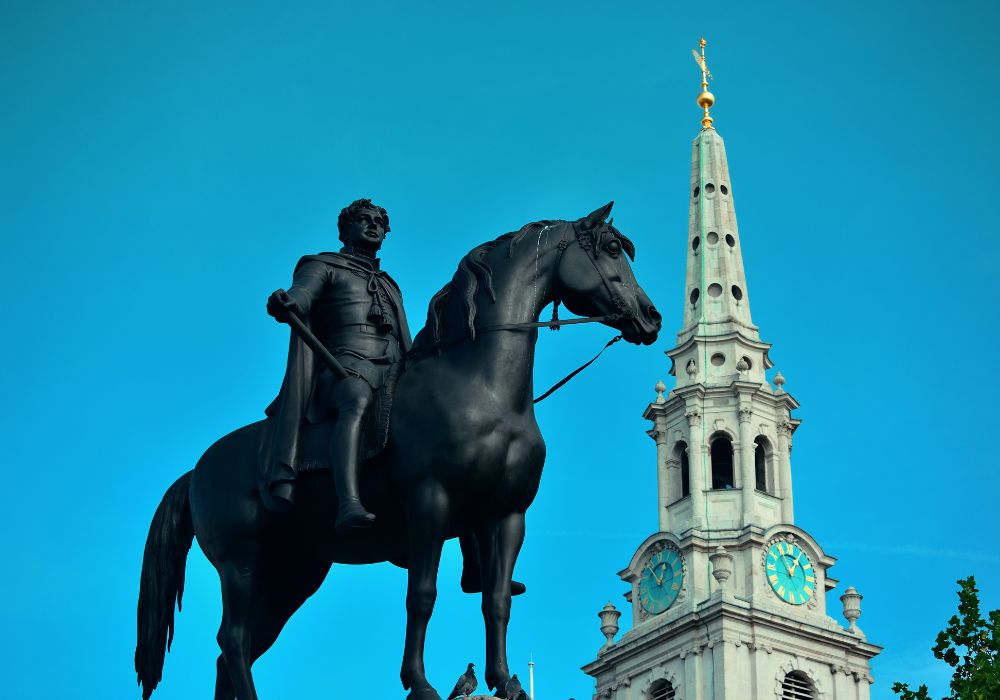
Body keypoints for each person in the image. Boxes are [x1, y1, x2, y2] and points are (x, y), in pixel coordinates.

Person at [259, 198, 410, 531]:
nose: (374, 225)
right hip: (344, 365)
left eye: (379, 222)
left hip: (395, 369)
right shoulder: (322, 264)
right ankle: (348, 503)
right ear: (346, 229)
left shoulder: (390, 284)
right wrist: (289, 301)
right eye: (364, 220)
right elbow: (302, 294)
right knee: (356, 398)